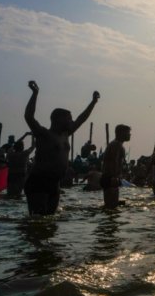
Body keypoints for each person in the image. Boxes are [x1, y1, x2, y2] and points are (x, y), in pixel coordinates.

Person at [24, 80, 99, 215]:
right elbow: (29, 117)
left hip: (54, 183)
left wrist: (93, 102)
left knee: (50, 224)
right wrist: (35, 94)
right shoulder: (44, 134)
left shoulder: (65, 135)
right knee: (38, 221)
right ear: (58, 120)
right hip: (39, 182)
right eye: (69, 119)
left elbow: (82, 118)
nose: (72, 121)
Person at [101, 124, 130, 208]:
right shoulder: (116, 145)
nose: (129, 135)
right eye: (128, 133)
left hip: (110, 177)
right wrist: (115, 177)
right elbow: (114, 161)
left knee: (112, 207)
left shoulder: (117, 145)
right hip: (110, 177)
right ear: (121, 133)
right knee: (111, 207)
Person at [6, 133, 36, 198]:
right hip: (21, 176)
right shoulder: (25, 154)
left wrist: (24, 135)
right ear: (22, 147)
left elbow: (13, 145)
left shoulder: (10, 154)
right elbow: (33, 146)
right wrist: (33, 136)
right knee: (18, 194)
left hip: (11, 176)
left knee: (9, 194)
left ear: (15, 147)